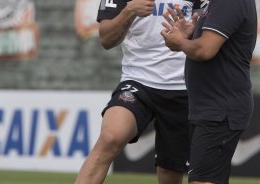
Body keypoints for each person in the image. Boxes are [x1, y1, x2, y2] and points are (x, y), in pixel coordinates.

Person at [75, 0, 202, 183]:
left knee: (170, 171)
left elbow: (209, 33)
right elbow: (106, 40)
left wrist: (190, 32)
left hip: (184, 88)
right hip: (138, 81)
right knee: (111, 138)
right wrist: (130, 10)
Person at [160, 0, 257, 183]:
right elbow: (207, 45)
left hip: (220, 108)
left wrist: (180, 42)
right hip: (209, 107)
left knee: (202, 181)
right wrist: (189, 37)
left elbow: (205, 50)